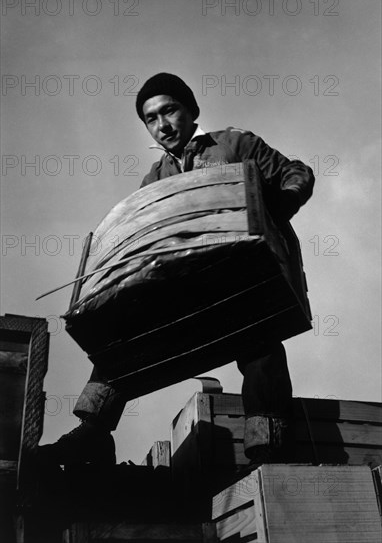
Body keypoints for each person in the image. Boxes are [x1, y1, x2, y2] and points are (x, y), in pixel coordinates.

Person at [39, 73, 314, 467]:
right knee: (126, 337)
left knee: (260, 341)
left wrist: (274, 207)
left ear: (191, 111)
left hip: (242, 277)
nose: (162, 125)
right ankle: (92, 433)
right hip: (184, 290)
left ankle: (266, 448)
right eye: (151, 119)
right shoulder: (153, 181)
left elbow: (297, 173)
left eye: (169, 110)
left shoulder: (235, 143)